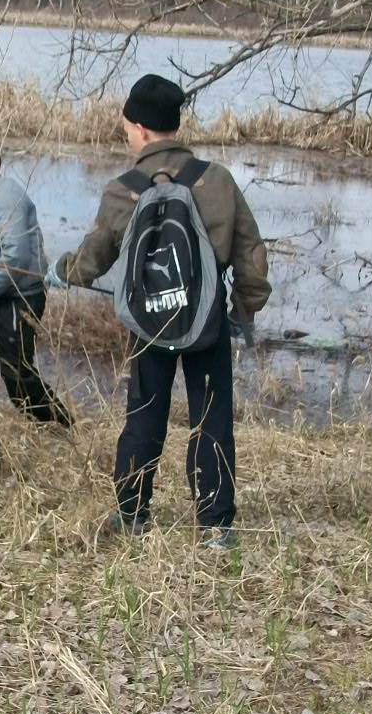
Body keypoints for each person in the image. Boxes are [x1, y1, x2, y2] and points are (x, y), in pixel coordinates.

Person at [45, 75, 271, 548]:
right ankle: (214, 527)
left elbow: (94, 257)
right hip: (207, 321)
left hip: (149, 324)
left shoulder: (123, 189)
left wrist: (62, 272)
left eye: (127, 126)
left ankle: (131, 514)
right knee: (212, 420)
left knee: (144, 413)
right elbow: (251, 254)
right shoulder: (218, 181)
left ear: (143, 129)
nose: (126, 134)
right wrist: (243, 310)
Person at [0, 144, 75, 428]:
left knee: (14, 370)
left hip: (21, 296)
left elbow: (15, 255)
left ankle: (59, 425)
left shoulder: (4, 196)